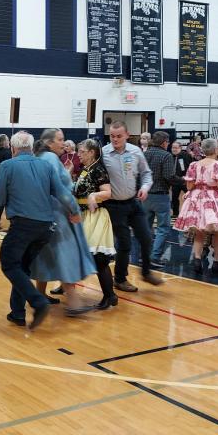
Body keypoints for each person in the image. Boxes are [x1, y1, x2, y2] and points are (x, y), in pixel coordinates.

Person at [0, 131, 81, 329]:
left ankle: (38, 302)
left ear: (13, 148)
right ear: (31, 148)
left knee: (9, 264)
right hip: (45, 228)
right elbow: (62, 192)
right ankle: (17, 313)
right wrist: (74, 210)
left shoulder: (7, 165)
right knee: (22, 267)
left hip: (23, 225)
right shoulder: (46, 165)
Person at [30, 129, 96, 315]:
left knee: (44, 255)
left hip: (41, 214)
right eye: (60, 139)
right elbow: (61, 190)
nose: (63, 143)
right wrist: (74, 210)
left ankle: (39, 295)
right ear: (49, 142)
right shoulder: (51, 159)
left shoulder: (37, 158)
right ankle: (74, 303)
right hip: (59, 215)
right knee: (65, 256)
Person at [102, 121, 163, 292]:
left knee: (146, 237)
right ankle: (120, 279)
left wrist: (145, 188)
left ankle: (146, 272)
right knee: (124, 243)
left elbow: (146, 173)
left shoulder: (136, 152)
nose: (115, 139)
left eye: (119, 136)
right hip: (113, 206)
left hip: (133, 202)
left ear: (127, 135)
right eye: (112, 136)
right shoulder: (103, 153)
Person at [175, 138, 218, 275]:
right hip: (214, 199)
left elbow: (189, 186)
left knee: (199, 232)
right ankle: (216, 262)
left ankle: (197, 260)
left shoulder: (194, 164)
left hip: (197, 198)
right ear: (216, 150)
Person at [75, 139, 117, 309]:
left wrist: (94, 196)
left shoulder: (98, 169)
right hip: (85, 215)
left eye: (82, 151)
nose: (78, 154)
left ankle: (110, 295)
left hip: (96, 215)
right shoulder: (86, 169)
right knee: (80, 255)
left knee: (99, 258)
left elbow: (107, 192)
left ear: (92, 152)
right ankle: (66, 287)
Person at [143, 131, 178, 267]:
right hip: (160, 196)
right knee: (163, 228)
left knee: (146, 228)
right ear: (164, 143)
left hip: (145, 195)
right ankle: (155, 257)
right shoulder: (166, 155)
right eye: (168, 142)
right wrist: (184, 182)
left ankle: (143, 256)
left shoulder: (144, 154)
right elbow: (169, 176)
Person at [170, 141, 192, 217]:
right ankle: (175, 213)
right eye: (173, 148)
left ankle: (190, 212)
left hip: (184, 181)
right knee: (174, 198)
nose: (174, 149)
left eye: (176, 148)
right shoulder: (170, 156)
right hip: (175, 181)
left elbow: (190, 167)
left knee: (189, 196)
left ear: (180, 148)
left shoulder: (186, 155)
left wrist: (187, 177)